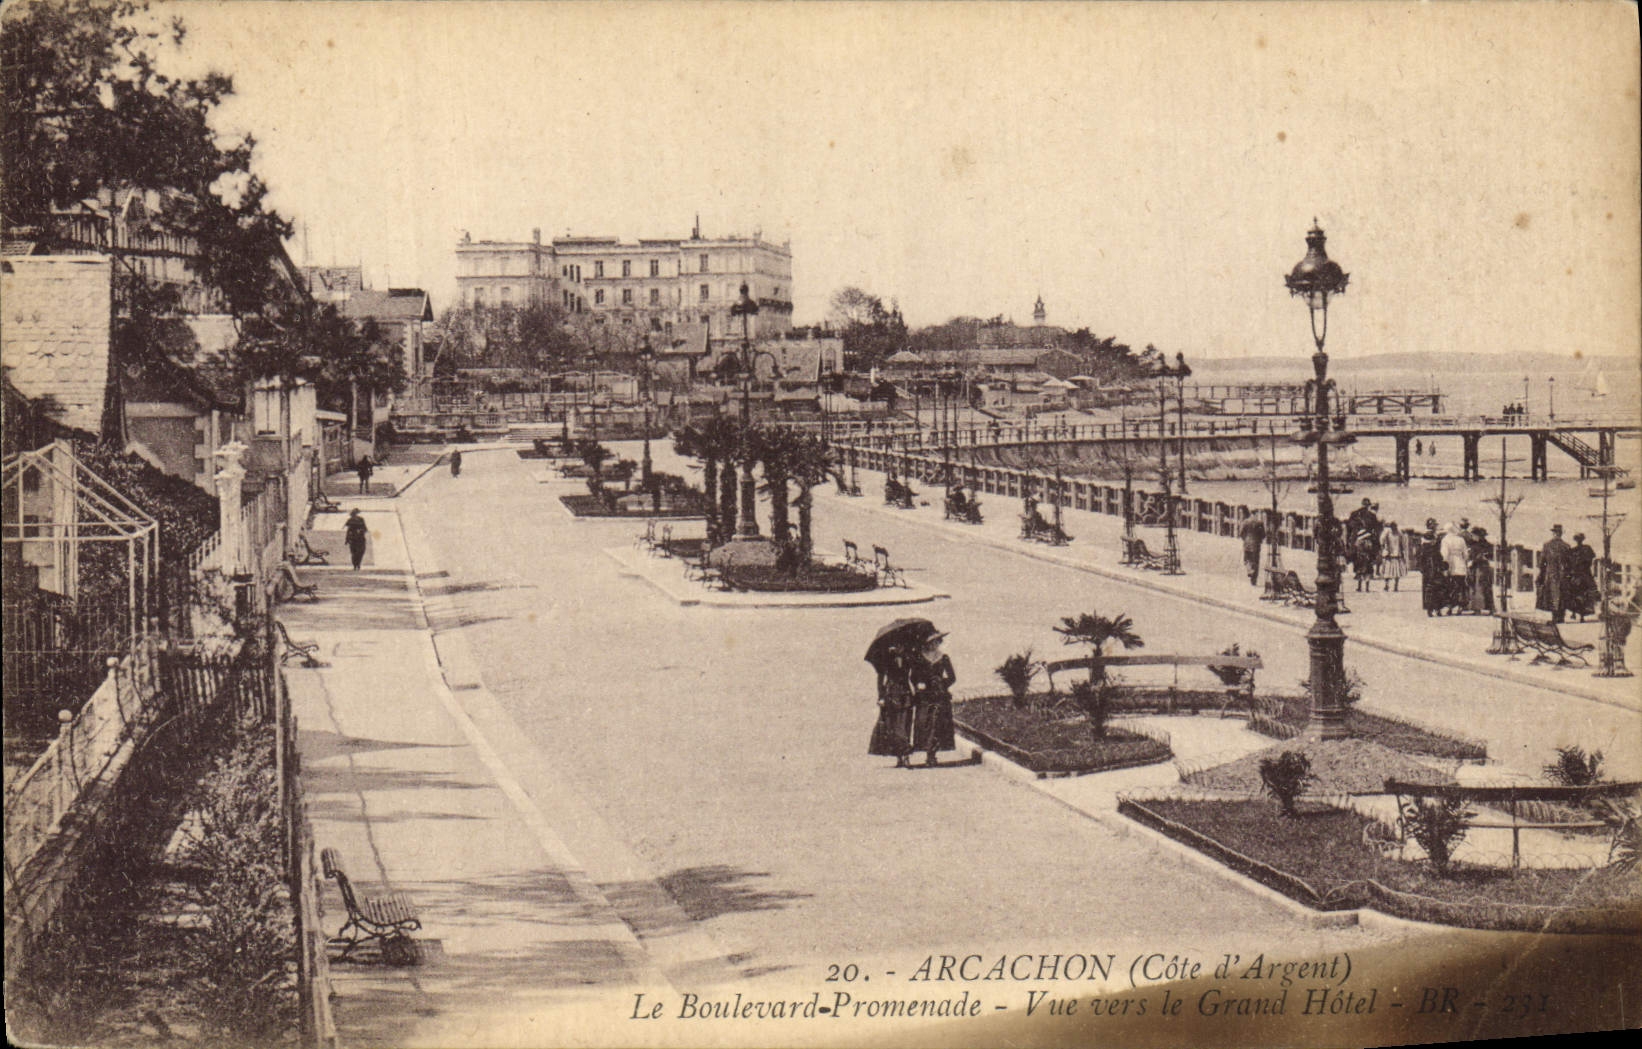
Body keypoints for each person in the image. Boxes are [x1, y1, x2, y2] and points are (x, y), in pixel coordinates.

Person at [907, 633, 957, 768]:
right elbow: (913, 676)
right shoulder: (919, 657)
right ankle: (926, 750)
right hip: (924, 696)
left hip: (940, 696)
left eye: (936, 642)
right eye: (931, 642)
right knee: (924, 723)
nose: (934, 644)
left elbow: (952, 677)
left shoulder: (943, 657)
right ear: (926, 643)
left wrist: (941, 683)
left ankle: (932, 755)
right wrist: (918, 684)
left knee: (937, 724)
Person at [867, 649, 916, 768]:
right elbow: (880, 679)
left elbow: (913, 676)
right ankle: (900, 756)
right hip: (891, 694)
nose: (898, 647)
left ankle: (905, 756)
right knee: (893, 726)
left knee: (905, 725)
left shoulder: (909, 657)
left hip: (905, 693)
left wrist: (917, 690)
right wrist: (881, 697)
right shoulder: (885, 658)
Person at [1536, 524, 1571, 624]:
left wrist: (1542, 574)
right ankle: (1561, 616)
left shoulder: (1547, 545)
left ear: (1553, 533)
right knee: (1562, 595)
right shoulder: (1566, 546)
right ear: (1561, 534)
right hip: (1563, 575)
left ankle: (1554, 617)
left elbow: (1541, 563)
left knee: (1552, 595)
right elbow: (1570, 563)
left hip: (1551, 574)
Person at [1440, 522, 1471, 615]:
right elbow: (1466, 554)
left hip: (1451, 564)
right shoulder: (1461, 539)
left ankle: (1450, 606)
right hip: (1460, 564)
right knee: (1460, 586)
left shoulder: (1445, 540)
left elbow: (1444, 554)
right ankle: (1459, 606)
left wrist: (1445, 566)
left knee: (1451, 587)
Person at [1567, 533, 1598, 621]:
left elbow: (1569, 563)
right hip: (1585, 574)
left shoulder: (1572, 550)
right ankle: (1582, 615)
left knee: (1575, 593)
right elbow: (1591, 560)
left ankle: (1575, 612)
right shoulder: (1587, 548)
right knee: (1587, 593)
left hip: (1576, 575)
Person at [1417, 519, 1446, 617]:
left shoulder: (1425, 537)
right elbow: (1435, 551)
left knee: (1429, 587)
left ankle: (1430, 609)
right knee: (1437, 587)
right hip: (1434, 564)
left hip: (1428, 566)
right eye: (1434, 525)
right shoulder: (1430, 536)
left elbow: (1421, 554)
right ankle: (1436, 609)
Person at [1467, 526, 1496, 614]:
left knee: (1479, 587)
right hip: (1482, 567)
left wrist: (1473, 560)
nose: (1472, 537)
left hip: (1480, 568)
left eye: (1473, 535)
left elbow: (1481, 556)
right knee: (1485, 587)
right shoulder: (1486, 544)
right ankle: (1489, 608)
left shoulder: (1479, 545)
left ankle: (1478, 608)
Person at [1377, 521, 1406, 592]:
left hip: (1396, 554)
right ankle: (1387, 585)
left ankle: (1395, 586)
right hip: (1389, 555)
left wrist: (1402, 552)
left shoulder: (1399, 533)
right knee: (1388, 571)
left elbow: (1403, 543)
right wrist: (1385, 548)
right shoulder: (1387, 533)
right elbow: (1382, 541)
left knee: (1396, 571)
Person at [1240, 514, 1266, 586]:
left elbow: (1241, 533)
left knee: (1246, 560)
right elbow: (1264, 535)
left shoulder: (1245, 522)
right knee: (1256, 562)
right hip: (1256, 545)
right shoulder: (1260, 522)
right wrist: (1259, 540)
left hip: (1247, 544)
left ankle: (1249, 570)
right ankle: (1254, 581)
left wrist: (1245, 539)